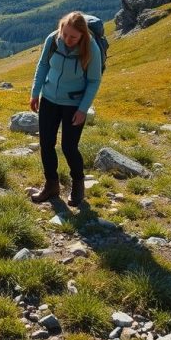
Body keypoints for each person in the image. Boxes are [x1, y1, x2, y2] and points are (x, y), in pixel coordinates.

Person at [29, 12, 103, 206]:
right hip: (50, 99)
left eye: (74, 37)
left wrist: (83, 109)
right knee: (46, 144)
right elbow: (43, 65)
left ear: (82, 36)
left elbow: (94, 81)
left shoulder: (91, 48)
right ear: (60, 29)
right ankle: (51, 184)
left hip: (74, 105)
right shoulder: (52, 40)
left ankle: (78, 184)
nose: (68, 40)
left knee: (69, 147)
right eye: (65, 34)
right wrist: (35, 92)